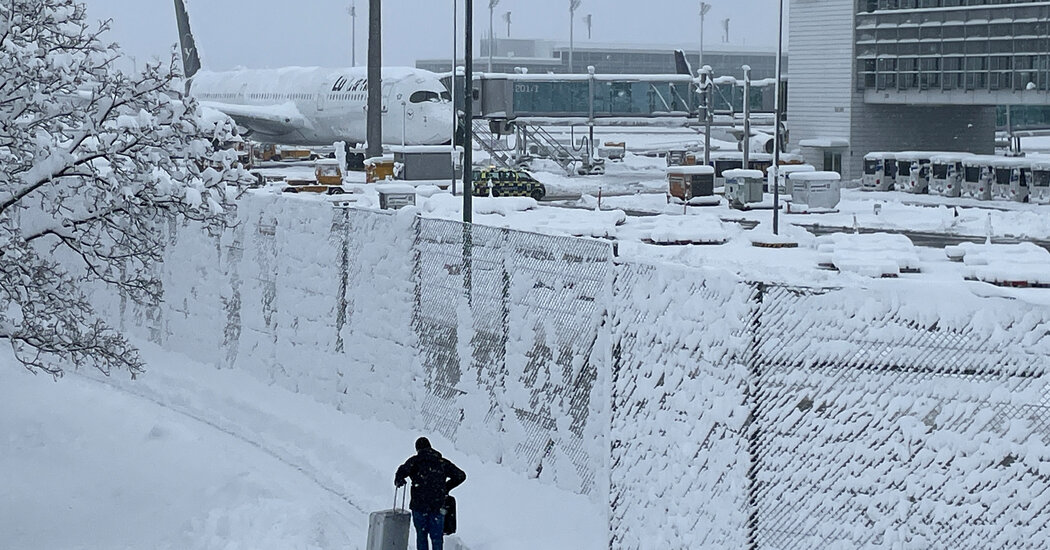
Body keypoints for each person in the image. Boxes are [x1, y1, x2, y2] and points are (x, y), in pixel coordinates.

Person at [395, 437, 466, 550]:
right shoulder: (441, 462)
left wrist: (399, 480)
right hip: (437, 506)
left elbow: (401, 471)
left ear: (418, 449)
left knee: (421, 536)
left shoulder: (415, 461)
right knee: (437, 538)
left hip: (419, 506)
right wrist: (445, 488)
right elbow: (461, 475)